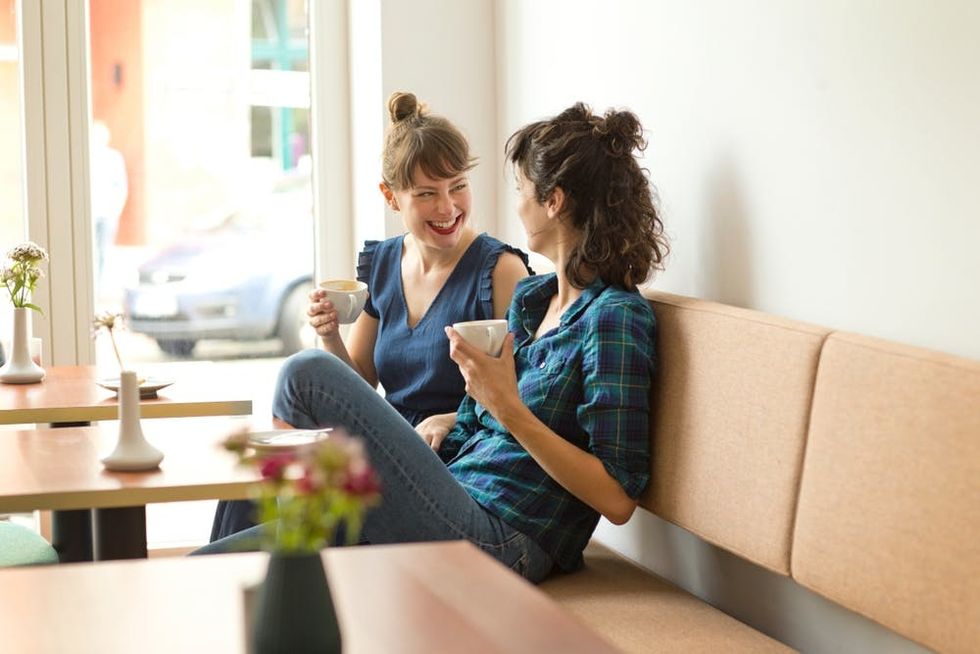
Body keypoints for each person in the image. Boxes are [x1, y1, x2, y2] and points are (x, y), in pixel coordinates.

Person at [199, 102, 669, 584]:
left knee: (305, 374)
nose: (517, 205)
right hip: (450, 489)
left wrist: (506, 407)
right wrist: (454, 419)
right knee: (215, 565)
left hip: (501, 535)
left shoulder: (613, 317)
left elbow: (617, 498)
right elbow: (474, 418)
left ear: (554, 201)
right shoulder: (534, 299)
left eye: (522, 190)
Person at [210, 92, 533, 540]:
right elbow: (360, 384)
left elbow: (527, 393)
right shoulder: (383, 263)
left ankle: (256, 563)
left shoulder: (500, 270)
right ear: (390, 197)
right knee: (259, 454)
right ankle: (251, 572)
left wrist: (452, 418)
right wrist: (329, 337)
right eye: (426, 194)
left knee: (297, 386)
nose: (447, 207)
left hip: (449, 467)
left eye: (457, 185)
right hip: (382, 451)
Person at [90, 121, 128, 288]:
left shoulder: (113, 158)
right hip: (90, 212)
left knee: (104, 250)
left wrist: (115, 209)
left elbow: (121, 186)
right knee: (88, 249)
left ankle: (100, 286)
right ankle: (90, 284)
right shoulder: (86, 158)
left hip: (107, 212)